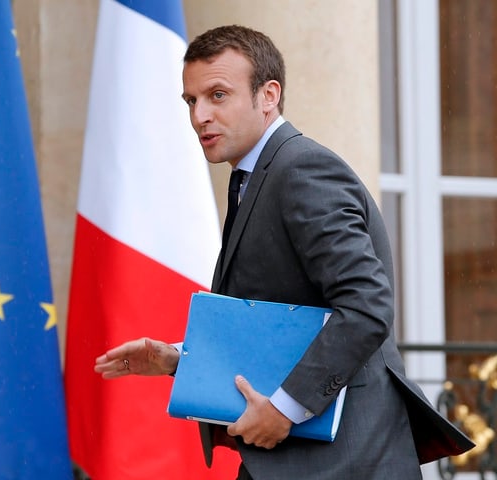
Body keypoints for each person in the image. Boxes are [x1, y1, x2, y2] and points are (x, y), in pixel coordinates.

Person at [94, 25, 472, 479]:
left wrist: (285, 409)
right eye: (191, 101)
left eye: (217, 95)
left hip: (344, 463)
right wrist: (179, 358)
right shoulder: (259, 174)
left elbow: (367, 306)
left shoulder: (302, 170)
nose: (199, 116)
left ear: (268, 95)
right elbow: (278, 315)